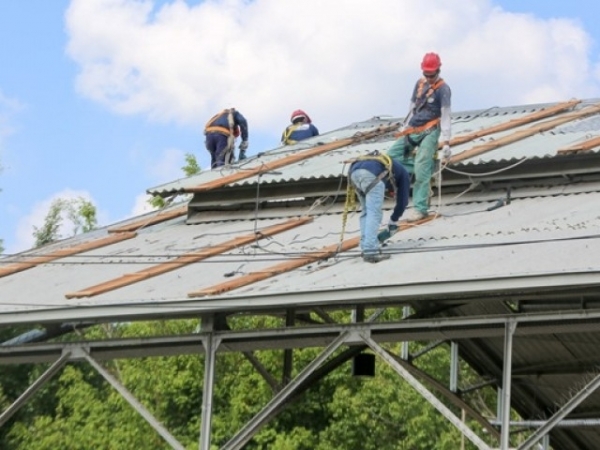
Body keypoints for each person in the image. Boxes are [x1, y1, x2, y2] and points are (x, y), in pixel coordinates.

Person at [387, 52, 452, 222]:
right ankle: (425, 168)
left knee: (421, 166)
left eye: (432, 74)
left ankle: (420, 208)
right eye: (426, 74)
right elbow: (412, 106)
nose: (429, 77)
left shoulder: (443, 89)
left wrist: (446, 141)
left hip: (431, 130)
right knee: (390, 158)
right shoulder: (420, 84)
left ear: (438, 70)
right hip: (413, 128)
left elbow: (445, 115)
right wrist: (405, 125)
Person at [348, 151, 410, 263]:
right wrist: (393, 221)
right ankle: (371, 250)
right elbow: (403, 201)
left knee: (366, 211)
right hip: (371, 173)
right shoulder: (404, 174)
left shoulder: (391, 167)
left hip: (354, 171)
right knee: (374, 212)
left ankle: (365, 245)